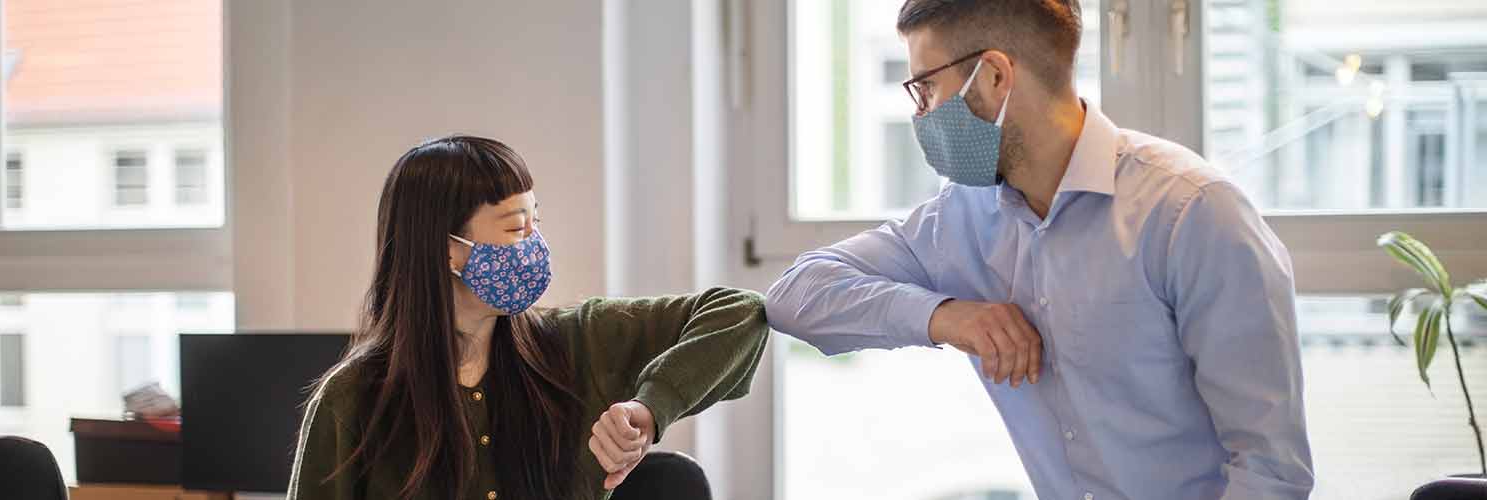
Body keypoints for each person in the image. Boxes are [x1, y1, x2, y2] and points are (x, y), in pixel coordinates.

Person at [764, 1, 1315, 499]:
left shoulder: (1193, 213)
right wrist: (947, 317)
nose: (921, 114)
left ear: (996, 75)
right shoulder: (962, 215)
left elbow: (1270, 470)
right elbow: (795, 295)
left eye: (926, 87)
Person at [288, 135, 769, 500]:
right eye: (517, 228)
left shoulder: (576, 340)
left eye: (536, 222)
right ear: (446, 252)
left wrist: (649, 410)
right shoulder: (352, 399)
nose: (534, 245)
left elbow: (740, 312)